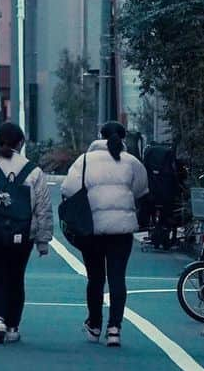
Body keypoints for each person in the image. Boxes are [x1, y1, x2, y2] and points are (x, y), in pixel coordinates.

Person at [61, 120, 149, 348]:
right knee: (118, 277)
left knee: (96, 278)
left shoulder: (85, 160)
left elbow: (68, 189)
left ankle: (95, 325)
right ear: (124, 137)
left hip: (92, 228)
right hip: (122, 228)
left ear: (99, 135)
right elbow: (141, 190)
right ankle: (114, 328)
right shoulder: (131, 162)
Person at [0, 122, 52, 344]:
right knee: (16, 277)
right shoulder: (34, 171)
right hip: (22, 234)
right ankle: (13, 325)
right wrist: (43, 240)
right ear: (21, 143)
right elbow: (42, 207)